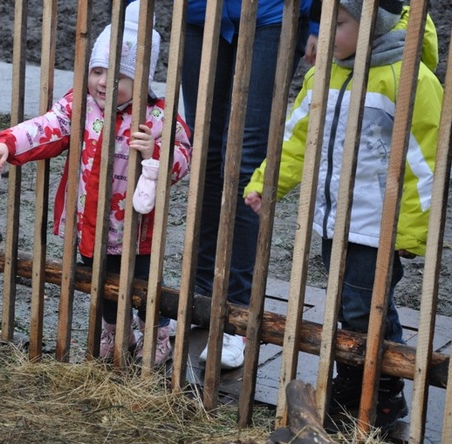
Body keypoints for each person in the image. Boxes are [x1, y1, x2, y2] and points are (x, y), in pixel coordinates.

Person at [244, 0, 443, 430]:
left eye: (343, 21)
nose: (329, 30)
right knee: (353, 305)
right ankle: (364, 384)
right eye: (326, 19)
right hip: (335, 218)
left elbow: (426, 162)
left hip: (377, 225)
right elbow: (298, 137)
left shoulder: (407, 81)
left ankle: (377, 395)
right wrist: (267, 181)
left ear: (376, 23)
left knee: (361, 306)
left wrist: (410, 232)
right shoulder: (324, 75)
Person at [0, 0, 192, 366]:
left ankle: (155, 329)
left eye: (118, 76)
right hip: (90, 222)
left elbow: (184, 156)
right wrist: (7, 143)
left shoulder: (158, 115)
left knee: (146, 282)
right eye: (98, 71)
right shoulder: (80, 105)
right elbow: (47, 128)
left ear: (141, 80)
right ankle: (113, 330)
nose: (104, 82)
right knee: (100, 282)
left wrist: (156, 152)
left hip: (138, 229)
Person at [181, 0, 313, 370]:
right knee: (205, 151)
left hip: (273, 15)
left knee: (245, 158)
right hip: (200, 15)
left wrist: (317, 19)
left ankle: (235, 316)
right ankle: (204, 297)